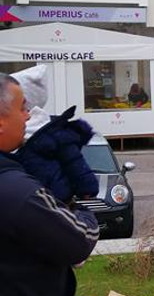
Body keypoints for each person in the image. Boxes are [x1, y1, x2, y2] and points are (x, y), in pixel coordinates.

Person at [0, 73, 99, 296]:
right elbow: (79, 240)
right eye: (22, 107)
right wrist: (82, 210)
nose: (28, 115)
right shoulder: (18, 191)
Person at [11, 66, 98, 203]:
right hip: (26, 200)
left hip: (54, 200)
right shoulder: (13, 130)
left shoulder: (54, 131)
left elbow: (74, 162)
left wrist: (87, 187)